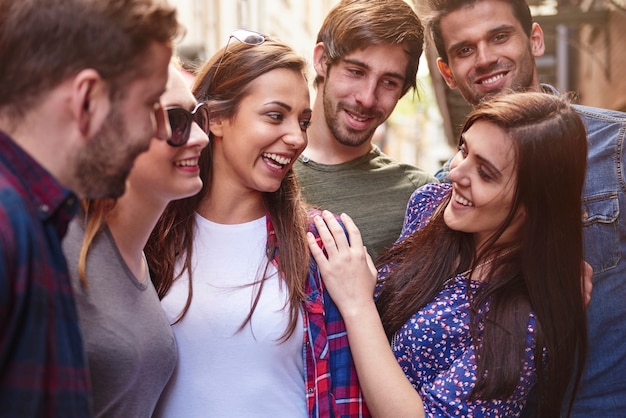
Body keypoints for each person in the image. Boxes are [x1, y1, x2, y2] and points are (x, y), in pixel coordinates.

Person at [309, 91, 589, 417]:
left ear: (535, 204)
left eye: (485, 173)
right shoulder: (431, 204)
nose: (455, 173)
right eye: (463, 149)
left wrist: (357, 303)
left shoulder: (527, 319)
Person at [419, 0, 626, 414]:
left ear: (534, 39)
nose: (485, 59)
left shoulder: (616, 148)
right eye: (464, 50)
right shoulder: (447, 190)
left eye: (499, 36)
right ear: (447, 73)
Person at [146, 33, 368, 417]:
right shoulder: (151, 232)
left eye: (303, 121)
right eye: (275, 115)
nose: (297, 138)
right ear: (215, 118)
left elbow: (349, 394)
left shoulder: (323, 244)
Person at [0, 0, 181, 415]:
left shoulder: (40, 220)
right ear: (87, 98)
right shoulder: (9, 224)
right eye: (150, 103)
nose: (159, 129)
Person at [62, 61, 209, 417]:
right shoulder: (57, 246)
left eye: (197, 116)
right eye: (175, 120)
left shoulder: (139, 255)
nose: (201, 137)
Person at [293, 0, 437, 261]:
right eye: (356, 71)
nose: (368, 98)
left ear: (403, 90)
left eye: (389, 82)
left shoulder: (419, 198)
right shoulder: (265, 167)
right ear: (322, 60)